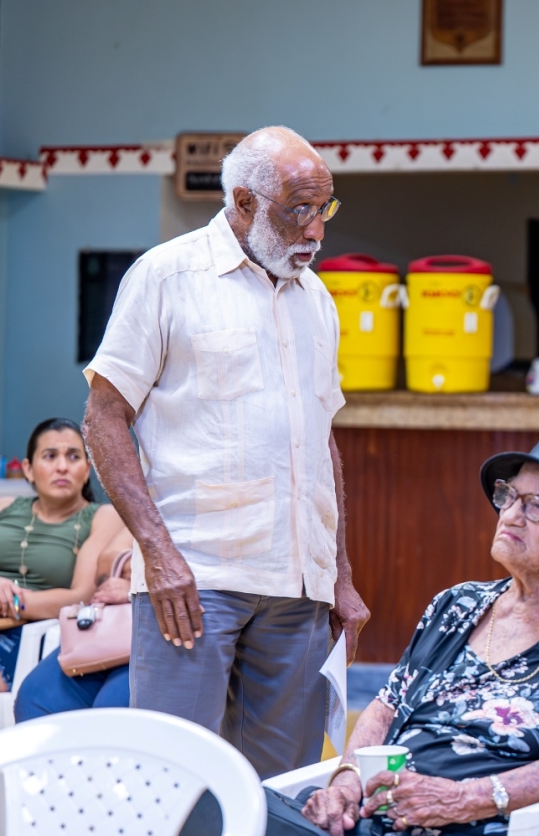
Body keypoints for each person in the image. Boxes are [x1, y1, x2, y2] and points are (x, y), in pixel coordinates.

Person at [80, 126, 369, 778]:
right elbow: (104, 418)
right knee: (176, 783)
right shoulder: (167, 275)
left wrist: (340, 575)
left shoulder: (316, 299)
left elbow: (318, 440)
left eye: (324, 209)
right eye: (298, 208)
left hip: (299, 587)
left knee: (279, 791)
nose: (316, 231)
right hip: (194, 577)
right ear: (242, 202)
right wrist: (155, 549)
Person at [264, 431, 539, 836]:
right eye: (509, 497)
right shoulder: (456, 605)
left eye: (536, 505)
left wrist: (466, 799)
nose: (510, 514)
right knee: (246, 811)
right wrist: (347, 781)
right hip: (379, 818)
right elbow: (386, 706)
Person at [0, 418, 124, 692]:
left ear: (87, 469)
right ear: (28, 469)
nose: (62, 466)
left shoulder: (102, 517)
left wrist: (1, 600)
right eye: (50, 456)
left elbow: (81, 595)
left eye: (73, 456)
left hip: (24, 636)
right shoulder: (1, 507)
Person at [14, 525, 134, 720]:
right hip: (114, 622)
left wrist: (137, 581)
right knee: (36, 699)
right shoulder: (153, 502)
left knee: (112, 710)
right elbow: (106, 562)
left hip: (169, 626)